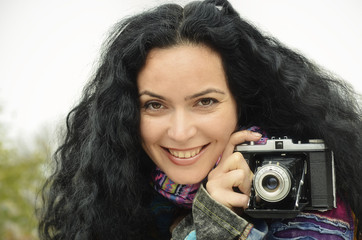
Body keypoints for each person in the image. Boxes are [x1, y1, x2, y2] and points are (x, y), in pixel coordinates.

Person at [38, 0, 362, 239]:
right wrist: (211, 218)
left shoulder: (315, 185)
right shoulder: (113, 200)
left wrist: (223, 221)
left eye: (205, 101)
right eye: (154, 105)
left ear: (241, 102)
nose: (180, 132)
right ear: (125, 112)